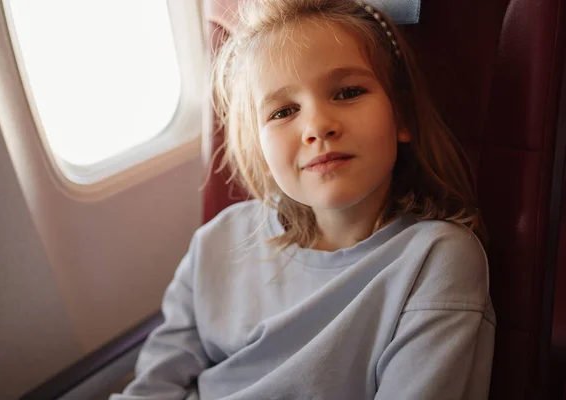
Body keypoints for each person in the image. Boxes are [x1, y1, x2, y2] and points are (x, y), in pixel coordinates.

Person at [110, 0, 496, 398]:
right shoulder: (217, 241)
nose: (316, 126)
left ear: (402, 117)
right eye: (283, 111)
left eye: (347, 92)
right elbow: (154, 385)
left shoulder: (435, 260)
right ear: (259, 146)